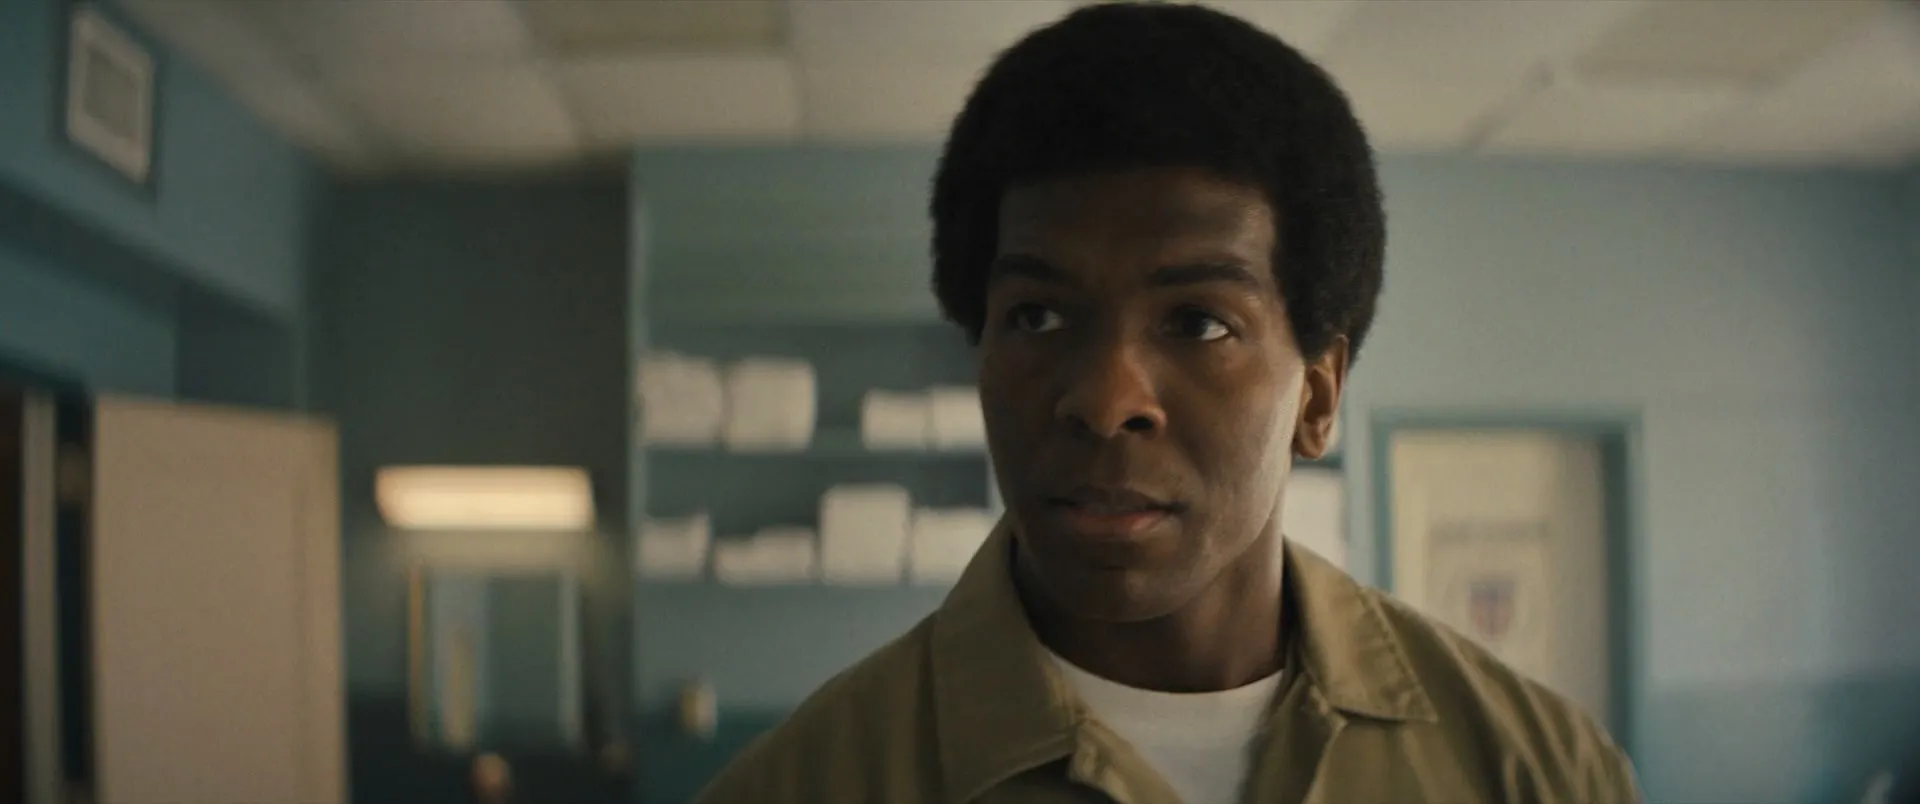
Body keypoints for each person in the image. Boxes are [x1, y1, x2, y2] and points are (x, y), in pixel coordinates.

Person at [696, 3, 1640, 802]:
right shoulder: (807, 782)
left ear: (1317, 396)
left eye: (1197, 322)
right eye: (1035, 316)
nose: (1105, 401)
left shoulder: (1536, 772)